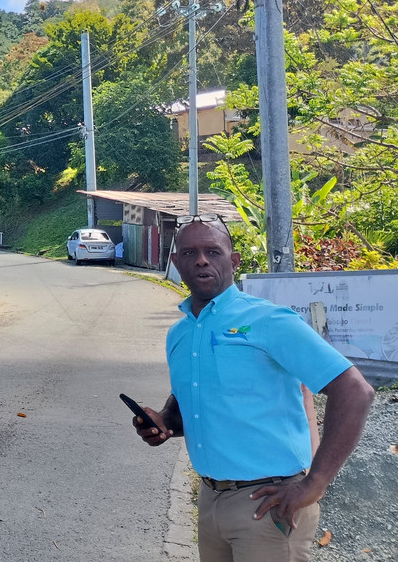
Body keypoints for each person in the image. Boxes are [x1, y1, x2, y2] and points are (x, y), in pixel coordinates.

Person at [133, 215, 374, 562]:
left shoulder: (269, 321)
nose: (201, 260)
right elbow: (195, 396)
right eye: (189, 253)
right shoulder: (180, 334)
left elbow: (354, 391)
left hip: (268, 502)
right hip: (210, 498)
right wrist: (166, 421)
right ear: (175, 264)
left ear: (234, 261)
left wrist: (315, 484)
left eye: (213, 251)